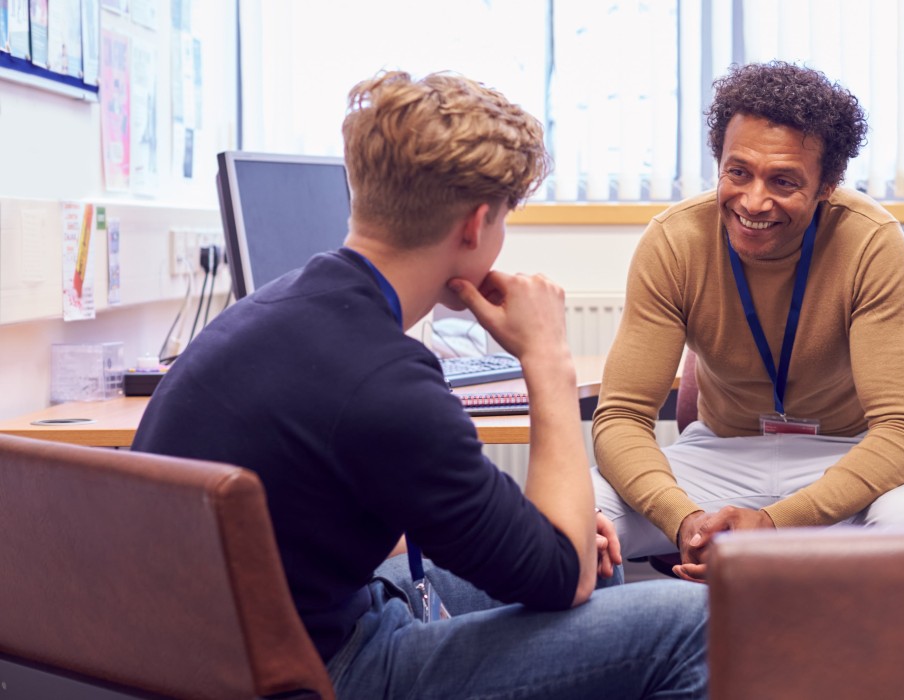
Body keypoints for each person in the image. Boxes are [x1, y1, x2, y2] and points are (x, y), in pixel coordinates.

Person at [133, 71, 707, 699]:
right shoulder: (386, 383)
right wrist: (547, 356)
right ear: (475, 224)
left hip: (229, 649)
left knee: (601, 563)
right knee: (697, 623)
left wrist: (558, 542)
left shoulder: (273, 309)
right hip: (325, 672)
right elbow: (561, 576)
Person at [592, 61, 904, 582]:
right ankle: (634, 657)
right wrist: (686, 521)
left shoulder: (870, 241)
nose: (753, 201)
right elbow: (621, 418)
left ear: (827, 184)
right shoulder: (674, 241)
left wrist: (776, 523)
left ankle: (867, 666)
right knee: (574, 516)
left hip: (843, 457)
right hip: (719, 456)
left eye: (783, 180)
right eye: (738, 172)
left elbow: (903, 433)